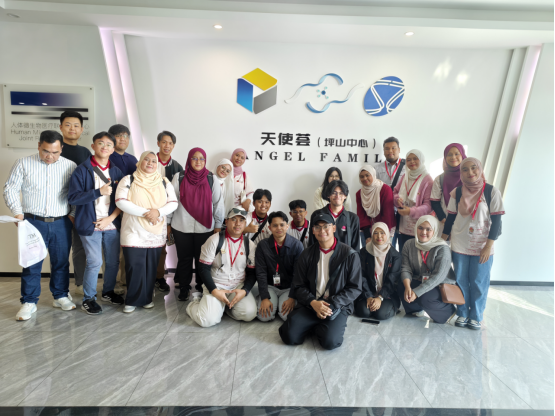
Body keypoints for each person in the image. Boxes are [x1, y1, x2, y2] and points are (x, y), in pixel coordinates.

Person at [3, 130, 77, 320]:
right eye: (46, 151)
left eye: (55, 152)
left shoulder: (70, 166)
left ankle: (60, 296)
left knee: (61, 262)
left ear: (61, 148)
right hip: (32, 222)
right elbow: (10, 188)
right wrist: (18, 213)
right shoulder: (23, 163)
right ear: (38, 146)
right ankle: (29, 302)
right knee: (32, 263)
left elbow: (76, 194)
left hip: (61, 222)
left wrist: (72, 215)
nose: (50, 156)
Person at [279, 212, 362, 350]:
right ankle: (316, 324)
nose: (322, 230)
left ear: (334, 228)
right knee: (289, 336)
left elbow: (355, 288)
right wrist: (313, 302)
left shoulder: (350, 255)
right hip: (311, 303)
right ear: (313, 231)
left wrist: (331, 304)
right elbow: (298, 285)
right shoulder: (306, 254)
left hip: (337, 305)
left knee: (330, 342)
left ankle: (318, 326)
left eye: (326, 226)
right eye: (317, 227)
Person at [442, 158, 504, 330]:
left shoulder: (491, 191)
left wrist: (488, 246)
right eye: (465, 169)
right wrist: (441, 241)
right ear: (461, 173)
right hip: (460, 243)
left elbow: (496, 222)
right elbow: (450, 219)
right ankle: (462, 313)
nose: (470, 172)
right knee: (460, 280)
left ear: (480, 169)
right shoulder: (457, 192)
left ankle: (476, 316)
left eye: (474, 168)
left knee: (479, 281)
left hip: (482, 245)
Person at [68, 131, 124, 315]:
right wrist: (98, 192)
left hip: (111, 223)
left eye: (109, 144)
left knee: (113, 262)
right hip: (89, 223)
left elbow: (121, 201)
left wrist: (110, 219)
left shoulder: (116, 171)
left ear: (113, 149)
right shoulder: (82, 170)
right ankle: (89, 298)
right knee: (94, 262)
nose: (104, 147)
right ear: (93, 146)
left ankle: (108, 292)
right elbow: (73, 198)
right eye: (101, 143)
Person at [115, 151, 178, 313]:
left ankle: (146, 298)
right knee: (134, 265)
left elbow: (173, 203)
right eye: (146, 160)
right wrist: (147, 213)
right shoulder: (128, 180)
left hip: (156, 231)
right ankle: (132, 300)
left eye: (154, 161)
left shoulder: (164, 182)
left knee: (151, 267)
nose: (150, 163)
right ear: (140, 162)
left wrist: (158, 212)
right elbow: (121, 201)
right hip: (133, 230)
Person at [168, 147, 224, 302]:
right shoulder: (179, 177)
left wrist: (218, 225)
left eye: (201, 158)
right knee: (184, 258)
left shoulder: (211, 178)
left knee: (203, 259)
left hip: (205, 228)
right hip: (181, 226)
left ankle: (201, 286)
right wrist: (168, 223)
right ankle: (184, 288)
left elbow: (218, 204)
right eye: (194, 158)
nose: (198, 161)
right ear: (189, 159)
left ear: (205, 161)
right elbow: (171, 202)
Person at [186, 208, 258, 327]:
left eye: (241, 220)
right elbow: (203, 269)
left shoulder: (249, 245)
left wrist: (244, 291)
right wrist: (214, 291)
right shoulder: (214, 240)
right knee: (207, 321)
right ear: (226, 221)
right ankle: (194, 304)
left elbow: (252, 272)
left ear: (245, 223)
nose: (238, 223)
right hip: (217, 285)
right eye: (233, 219)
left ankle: (223, 307)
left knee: (249, 314)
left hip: (237, 286)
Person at [399, 215, 456, 324]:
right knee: (402, 286)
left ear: (434, 231)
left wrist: (417, 292)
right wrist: (407, 287)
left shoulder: (442, 248)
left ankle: (448, 311)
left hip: (439, 283)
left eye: (428, 229)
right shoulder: (409, 244)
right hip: (419, 279)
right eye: (420, 228)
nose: (423, 232)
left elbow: (439, 276)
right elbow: (405, 267)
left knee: (425, 297)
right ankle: (416, 310)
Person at [59, 111, 91, 295]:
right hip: (57, 209)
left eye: (76, 125)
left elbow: (89, 183)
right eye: (68, 125)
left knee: (80, 249)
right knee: (60, 252)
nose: (72, 128)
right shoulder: (55, 150)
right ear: (61, 127)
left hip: (79, 210)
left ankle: (79, 284)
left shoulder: (85, 152)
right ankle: (60, 290)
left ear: (81, 129)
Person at [252, 211, 303, 322]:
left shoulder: (297, 245)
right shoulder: (262, 245)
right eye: (275, 225)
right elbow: (261, 272)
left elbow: (298, 274)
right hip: (270, 286)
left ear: (287, 226)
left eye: (282, 225)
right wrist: (265, 297)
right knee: (264, 317)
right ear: (269, 228)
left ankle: (280, 303)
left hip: (289, 288)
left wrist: (292, 297)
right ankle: (263, 299)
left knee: (286, 317)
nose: (279, 228)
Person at [108, 124, 138, 294]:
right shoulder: (106, 157)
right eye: (119, 135)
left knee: (128, 245)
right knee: (111, 248)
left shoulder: (133, 159)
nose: (123, 139)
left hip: (130, 209)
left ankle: (126, 280)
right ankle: (112, 284)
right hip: (110, 210)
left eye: (126, 136)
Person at [154, 131, 185, 292]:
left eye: (170, 143)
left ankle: (159, 278)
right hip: (148, 210)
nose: (167, 146)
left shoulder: (177, 167)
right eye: (164, 142)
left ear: (173, 146)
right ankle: (145, 277)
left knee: (162, 247)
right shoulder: (149, 161)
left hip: (168, 212)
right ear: (158, 143)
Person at [354, 222, 401, 321]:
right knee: (363, 312)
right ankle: (372, 302)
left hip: (388, 294)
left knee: (381, 314)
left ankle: (390, 306)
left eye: (382, 233)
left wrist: (380, 297)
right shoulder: (364, 252)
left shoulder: (395, 255)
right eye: (375, 233)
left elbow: (392, 280)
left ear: (387, 234)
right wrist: (369, 296)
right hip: (368, 292)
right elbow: (361, 276)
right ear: (371, 235)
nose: (379, 236)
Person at [393, 149, 433, 254]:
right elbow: (395, 192)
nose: (412, 162)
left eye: (415, 158)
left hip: (420, 226)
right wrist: (397, 200)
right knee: (403, 253)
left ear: (421, 160)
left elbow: (428, 206)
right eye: (409, 159)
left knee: (417, 256)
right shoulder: (405, 176)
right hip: (403, 224)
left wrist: (410, 211)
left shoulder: (427, 179)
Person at [373, 137, 406, 248]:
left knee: (403, 247)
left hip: (403, 212)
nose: (390, 151)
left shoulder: (407, 167)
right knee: (386, 247)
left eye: (393, 148)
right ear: (383, 151)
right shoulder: (376, 169)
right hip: (385, 212)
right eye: (387, 148)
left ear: (399, 149)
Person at [309, 180, 360, 251]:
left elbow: (356, 247)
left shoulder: (353, 218)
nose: (337, 196)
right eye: (333, 193)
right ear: (328, 195)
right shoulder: (317, 214)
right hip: (322, 256)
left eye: (341, 193)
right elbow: (312, 242)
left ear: (345, 196)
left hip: (345, 257)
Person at [431, 143, 467, 236]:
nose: (453, 157)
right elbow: (435, 202)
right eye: (449, 155)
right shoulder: (440, 179)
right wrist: (445, 220)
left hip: (465, 224)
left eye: (457, 154)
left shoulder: (470, 178)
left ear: (462, 155)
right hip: (444, 222)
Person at [356, 165, 396, 247]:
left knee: (383, 252)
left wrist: (380, 234)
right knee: (367, 253)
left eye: (367, 175)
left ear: (373, 175)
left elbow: (388, 214)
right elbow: (361, 215)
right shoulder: (359, 193)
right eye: (362, 177)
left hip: (384, 228)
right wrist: (367, 236)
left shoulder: (385, 189)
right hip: (367, 229)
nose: (365, 178)